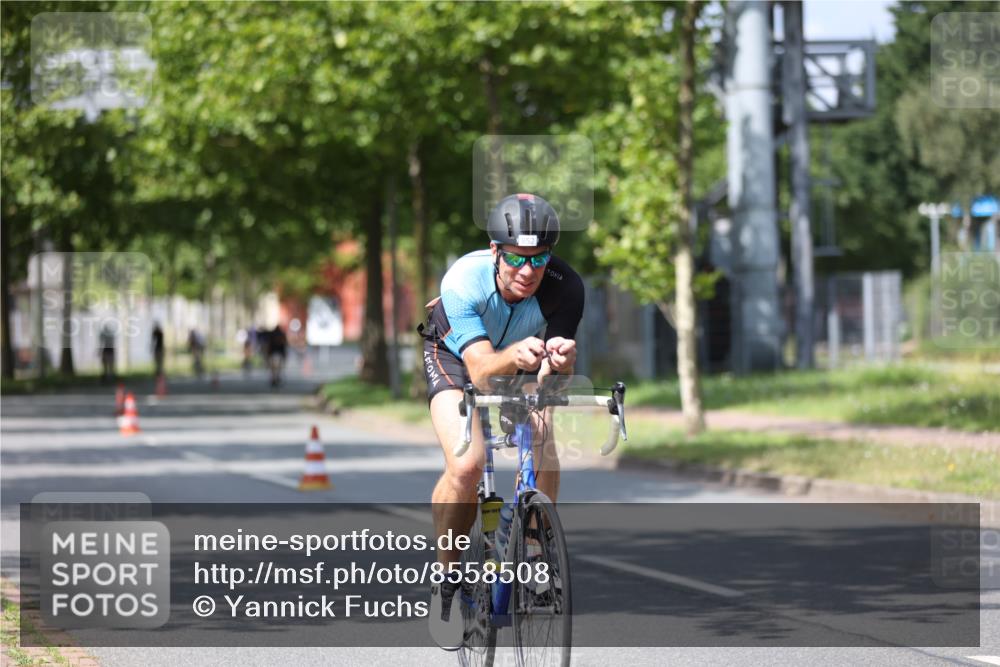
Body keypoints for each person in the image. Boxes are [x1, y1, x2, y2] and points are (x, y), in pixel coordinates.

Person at [417, 193, 583, 649]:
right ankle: (447, 581)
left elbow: (554, 377)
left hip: (519, 357)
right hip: (457, 359)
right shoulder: (464, 281)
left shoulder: (565, 286)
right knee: (467, 464)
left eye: (539, 258)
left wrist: (561, 361)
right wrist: (516, 355)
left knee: (545, 429)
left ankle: (532, 549)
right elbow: (481, 371)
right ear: (495, 251)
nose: (528, 271)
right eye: (516, 259)